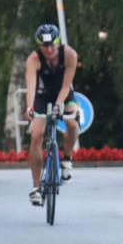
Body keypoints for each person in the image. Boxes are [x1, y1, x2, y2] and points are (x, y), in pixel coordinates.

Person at [24, 24, 79, 206]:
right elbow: (31, 86)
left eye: (51, 46)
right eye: (44, 46)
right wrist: (30, 107)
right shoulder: (33, 59)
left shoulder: (70, 55)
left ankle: (67, 160)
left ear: (57, 43)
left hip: (63, 93)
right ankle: (36, 187)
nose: (48, 50)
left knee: (72, 124)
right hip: (42, 95)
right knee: (37, 135)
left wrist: (57, 106)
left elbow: (66, 86)